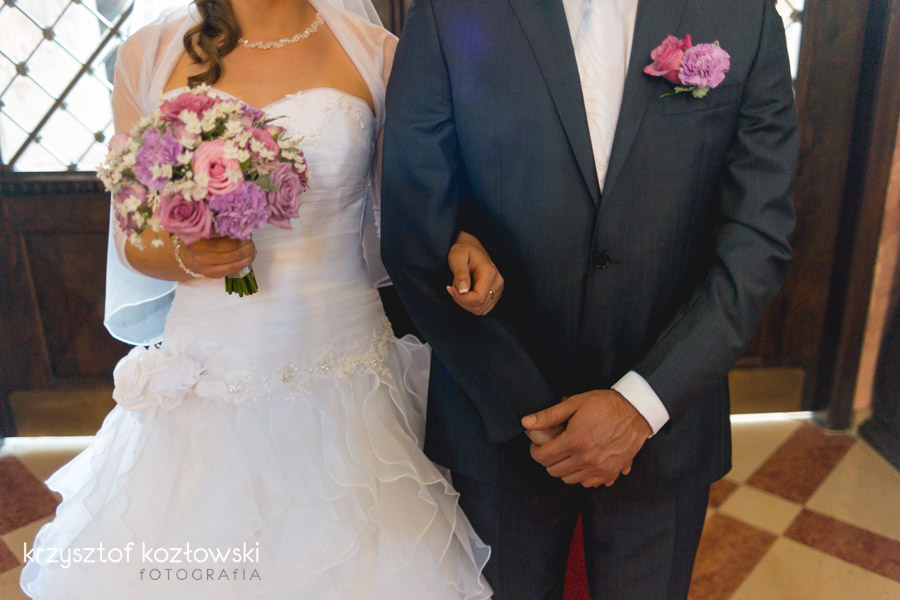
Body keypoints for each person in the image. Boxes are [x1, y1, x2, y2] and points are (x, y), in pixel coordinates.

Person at [20, 1, 496, 598]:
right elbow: (134, 240)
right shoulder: (148, 54)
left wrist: (463, 239)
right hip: (209, 373)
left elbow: (419, 202)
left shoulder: (377, 54)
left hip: (344, 371)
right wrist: (190, 255)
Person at [381, 0, 798, 598]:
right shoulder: (450, 13)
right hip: (498, 421)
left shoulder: (743, 16)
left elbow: (757, 237)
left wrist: (641, 404)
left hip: (667, 427)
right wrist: (531, 413)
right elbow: (416, 228)